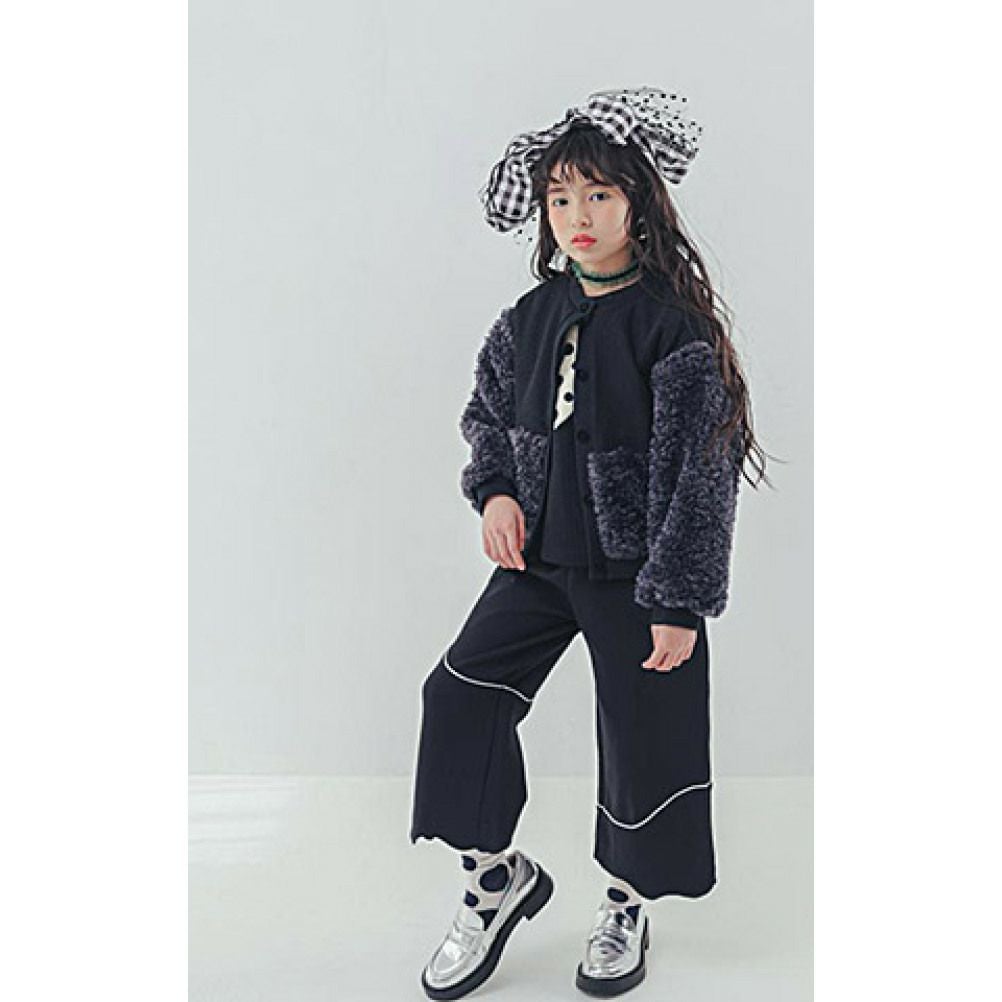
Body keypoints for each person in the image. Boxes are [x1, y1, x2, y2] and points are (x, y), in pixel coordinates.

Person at [409, 87, 769, 1000]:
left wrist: (678, 599)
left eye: (599, 196)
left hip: (639, 575)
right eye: (560, 197)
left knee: (645, 740)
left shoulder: (672, 329)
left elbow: (703, 473)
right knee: (459, 696)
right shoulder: (527, 318)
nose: (578, 216)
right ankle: (496, 880)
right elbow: (487, 415)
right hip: (538, 567)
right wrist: (495, 490)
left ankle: (625, 901)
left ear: (637, 204)